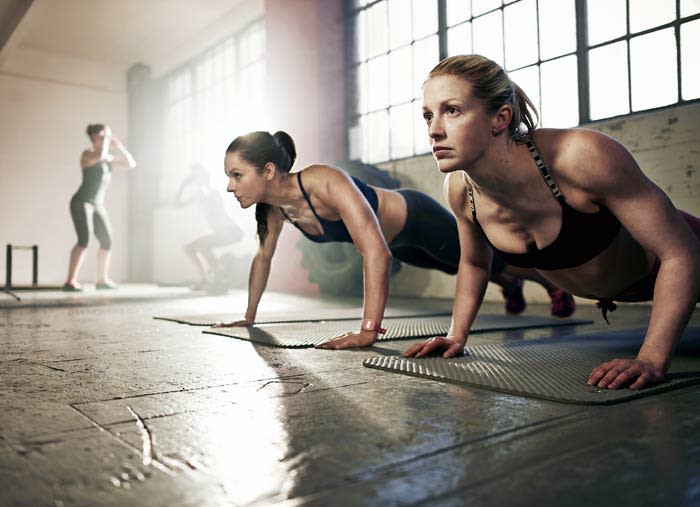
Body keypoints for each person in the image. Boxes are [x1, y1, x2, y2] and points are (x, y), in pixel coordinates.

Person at [404, 54, 700, 390]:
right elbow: (473, 263)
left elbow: (682, 253)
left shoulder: (581, 156)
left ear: (500, 118)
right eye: (428, 115)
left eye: (452, 110)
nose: (434, 130)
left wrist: (651, 358)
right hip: (632, 287)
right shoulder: (460, 190)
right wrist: (456, 335)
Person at [217, 130, 575, 348]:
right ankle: (509, 285)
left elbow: (375, 252)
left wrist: (368, 330)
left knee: (485, 259)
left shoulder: (324, 181)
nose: (231, 186)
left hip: (416, 218)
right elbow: (262, 259)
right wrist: (249, 317)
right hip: (400, 241)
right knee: (450, 266)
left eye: (237, 175)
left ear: (267, 170)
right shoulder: (273, 210)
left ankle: (552, 285)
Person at [63, 124, 136, 291]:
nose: (106, 139)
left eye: (106, 136)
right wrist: (107, 138)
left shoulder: (107, 159)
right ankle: (70, 281)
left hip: (97, 205)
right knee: (84, 240)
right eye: (102, 136)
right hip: (82, 201)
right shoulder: (88, 154)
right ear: (94, 137)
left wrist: (118, 146)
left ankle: (101, 280)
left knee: (107, 240)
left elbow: (131, 163)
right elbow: (100, 154)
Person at [175, 163, 243, 288]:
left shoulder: (212, 192)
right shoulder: (198, 195)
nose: (195, 178)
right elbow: (177, 204)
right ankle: (206, 279)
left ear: (204, 176)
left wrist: (202, 183)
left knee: (201, 245)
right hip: (221, 232)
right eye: (193, 176)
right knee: (189, 248)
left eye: (197, 175)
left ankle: (219, 278)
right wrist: (183, 185)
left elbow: (212, 202)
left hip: (231, 231)